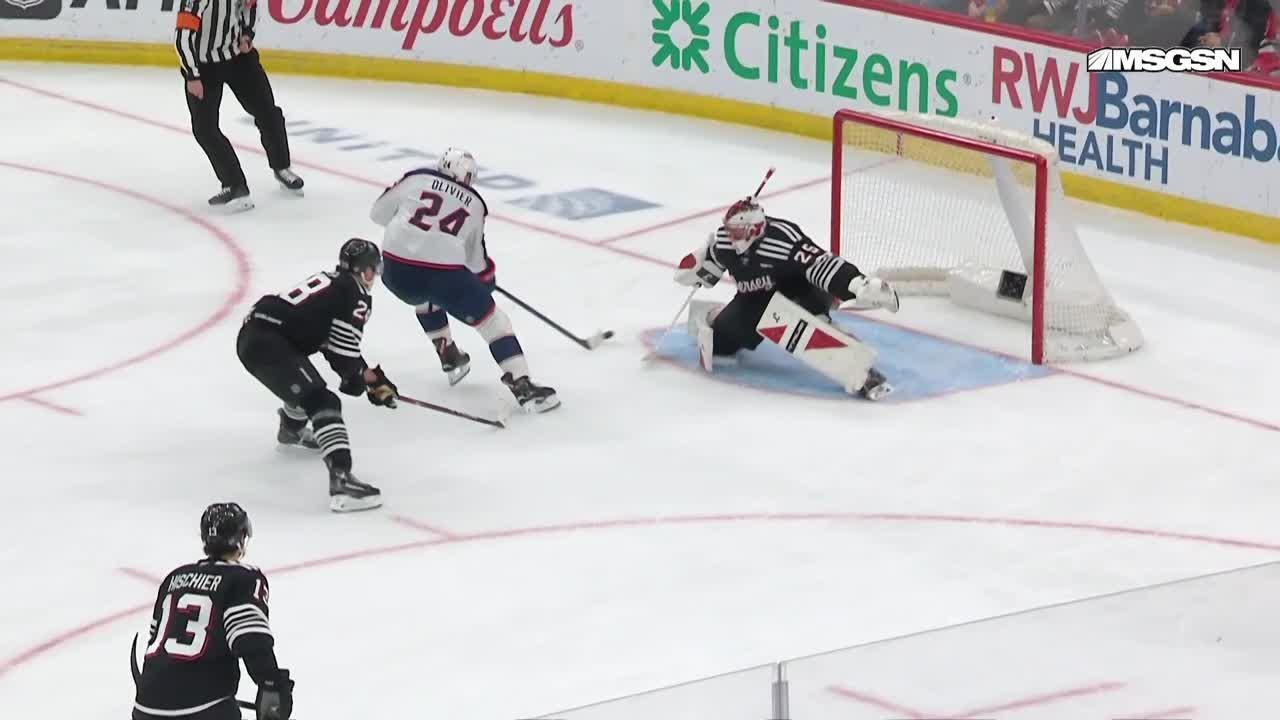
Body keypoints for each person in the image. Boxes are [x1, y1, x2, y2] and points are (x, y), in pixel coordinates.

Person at [369, 147, 560, 413]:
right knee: (495, 323)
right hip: (443, 277)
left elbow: (377, 214)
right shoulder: (475, 203)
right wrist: (485, 278)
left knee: (425, 297)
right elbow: (475, 261)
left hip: (395, 273)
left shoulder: (416, 178)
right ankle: (523, 385)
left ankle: (447, 352)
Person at [674, 197, 899, 399]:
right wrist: (697, 267)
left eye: (738, 233)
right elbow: (712, 259)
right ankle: (715, 316)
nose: (732, 238)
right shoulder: (725, 240)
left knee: (811, 325)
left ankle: (863, 370)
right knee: (721, 346)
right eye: (729, 231)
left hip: (801, 289)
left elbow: (823, 264)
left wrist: (859, 284)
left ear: (755, 231)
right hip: (755, 299)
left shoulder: (782, 239)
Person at [235, 238, 397, 512]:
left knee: (305, 384)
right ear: (366, 271)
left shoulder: (333, 282)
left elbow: (331, 345)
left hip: (256, 334)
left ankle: (292, 428)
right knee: (323, 402)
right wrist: (359, 381)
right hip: (269, 342)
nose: (375, 277)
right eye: (374, 269)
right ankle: (342, 480)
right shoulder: (356, 295)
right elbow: (344, 353)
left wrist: (366, 378)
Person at [132, 503, 293, 720]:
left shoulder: (174, 578)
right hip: (205, 708)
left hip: (146, 706)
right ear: (242, 538)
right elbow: (250, 639)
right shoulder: (243, 579)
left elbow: (155, 642)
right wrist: (271, 682)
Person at [174, 0, 303, 210]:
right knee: (204, 128)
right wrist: (192, 75)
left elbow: (249, 6)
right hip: (204, 67)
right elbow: (183, 35)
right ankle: (235, 185)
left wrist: (246, 34)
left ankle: (282, 167)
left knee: (268, 112)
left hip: (238, 58)